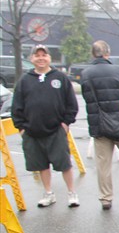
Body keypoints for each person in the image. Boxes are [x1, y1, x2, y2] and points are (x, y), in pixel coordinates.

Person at [11, 44, 80, 208]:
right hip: (32, 131)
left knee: (64, 163)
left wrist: (65, 123)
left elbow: (71, 103)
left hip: (56, 130)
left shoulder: (60, 78)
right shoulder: (25, 80)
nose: (41, 58)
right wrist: (21, 127)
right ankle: (48, 193)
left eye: (44, 55)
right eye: (37, 55)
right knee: (41, 165)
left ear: (49, 58)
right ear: (31, 59)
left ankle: (72, 193)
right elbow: (17, 106)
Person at [80, 40, 119, 210]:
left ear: (93, 54)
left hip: (99, 124)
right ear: (107, 53)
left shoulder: (86, 74)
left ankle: (105, 198)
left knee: (103, 162)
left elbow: (88, 98)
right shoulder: (118, 70)